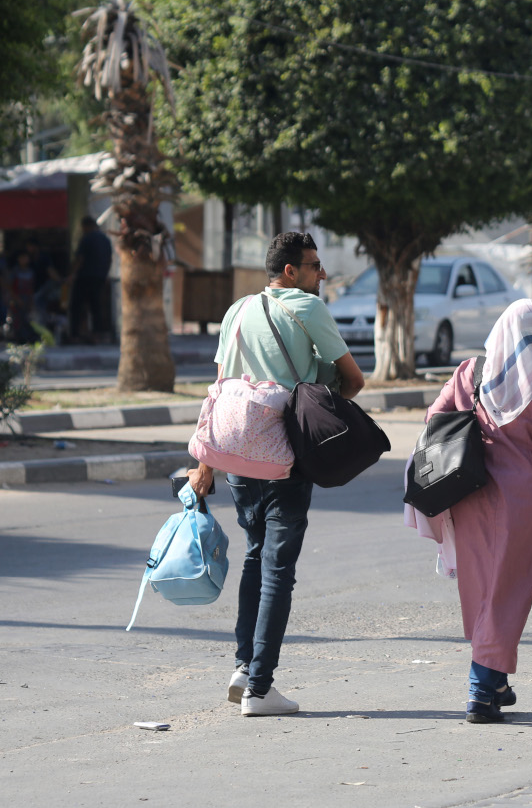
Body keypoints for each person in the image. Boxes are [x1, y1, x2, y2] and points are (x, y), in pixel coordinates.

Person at [187, 232, 365, 717]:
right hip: (285, 455)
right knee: (278, 570)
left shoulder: (237, 310)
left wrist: (205, 464)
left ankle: (244, 667)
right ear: (290, 271)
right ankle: (260, 690)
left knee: (255, 555)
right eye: (313, 265)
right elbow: (354, 380)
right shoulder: (307, 310)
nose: (321, 274)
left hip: (239, 453)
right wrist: (319, 405)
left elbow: (220, 389)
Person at [410, 299, 532, 724]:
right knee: (508, 590)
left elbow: (434, 417)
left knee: (483, 586)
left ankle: (495, 682)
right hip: (522, 502)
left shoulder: (470, 371)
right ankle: (481, 688)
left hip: (471, 493)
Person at [68, 216, 113, 344]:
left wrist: (71, 274)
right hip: (99, 278)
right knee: (96, 307)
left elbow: (80, 259)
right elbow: (110, 259)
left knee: (76, 306)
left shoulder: (87, 238)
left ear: (86, 226)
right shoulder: (106, 240)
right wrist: (104, 275)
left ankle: (75, 335)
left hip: (84, 277)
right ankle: (96, 334)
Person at [6, 248, 37, 343]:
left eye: (26, 257)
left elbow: (31, 288)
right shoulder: (15, 272)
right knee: (17, 320)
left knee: (27, 320)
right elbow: (9, 287)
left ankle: (28, 339)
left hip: (27, 300)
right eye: (22, 258)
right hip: (17, 300)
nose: (24, 260)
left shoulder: (30, 272)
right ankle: (18, 340)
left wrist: (31, 301)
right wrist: (16, 298)